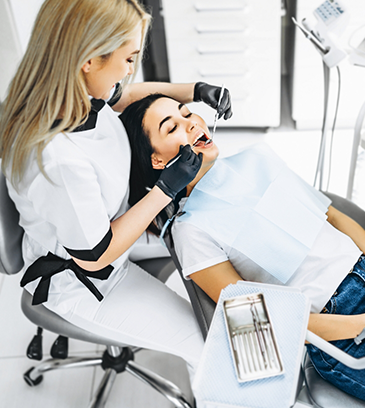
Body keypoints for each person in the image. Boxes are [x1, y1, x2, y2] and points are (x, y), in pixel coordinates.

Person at [120, 93, 365, 408]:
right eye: (172, 128)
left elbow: (332, 215)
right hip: (340, 331)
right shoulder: (190, 230)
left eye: (186, 113)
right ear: (156, 162)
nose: (191, 123)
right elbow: (258, 319)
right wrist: (361, 325)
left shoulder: (255, 159)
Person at [0, 0, 232, 374]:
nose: (129, 69)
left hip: (114, 222)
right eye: (127, 59)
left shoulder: (68, 88)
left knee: (212, 242)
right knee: (209, 344)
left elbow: (122, 96)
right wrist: (165, 190)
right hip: (90, 277)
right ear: (89, 59)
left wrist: (194, 91)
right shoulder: (59, 159)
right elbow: (95, 255)